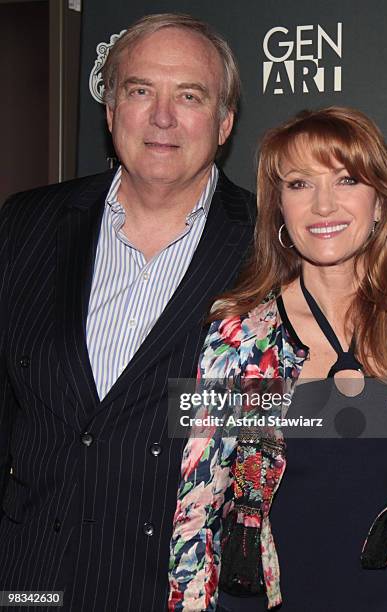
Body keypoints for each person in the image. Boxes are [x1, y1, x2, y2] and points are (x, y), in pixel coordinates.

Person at [0, 13, 256, 612]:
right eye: (140, 91)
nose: (162, 117)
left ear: (223, 123)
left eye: (188, 96)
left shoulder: (272, 246)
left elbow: (324, 415)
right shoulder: (28, 223)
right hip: (30, 582)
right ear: (111, 111)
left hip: (175, 590)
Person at [168, 107, 387, 611]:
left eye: (346, 180)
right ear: (279, 206)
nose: (324, 205)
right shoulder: (237, 334)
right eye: (300, 184)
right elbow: (196, 510)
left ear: (380, 203)